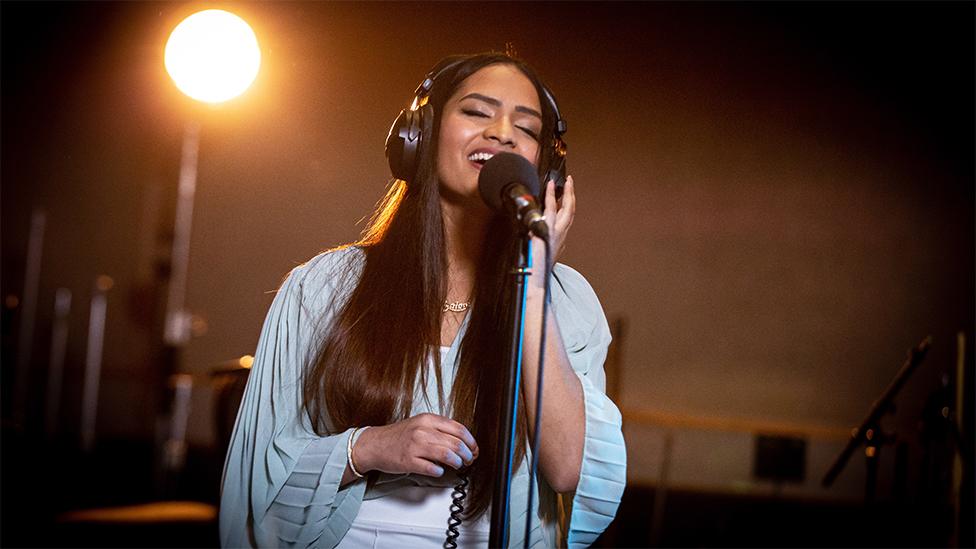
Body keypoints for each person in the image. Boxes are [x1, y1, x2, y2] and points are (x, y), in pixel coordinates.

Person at [219, 52, 626, 548]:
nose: (502, 133)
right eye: (477, 112)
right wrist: (366, 448)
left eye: (527, 127)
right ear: (420, 137)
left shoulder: (566, 298)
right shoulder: (324, 285)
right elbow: (258, 476)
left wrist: (535, 285)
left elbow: (568, 470)